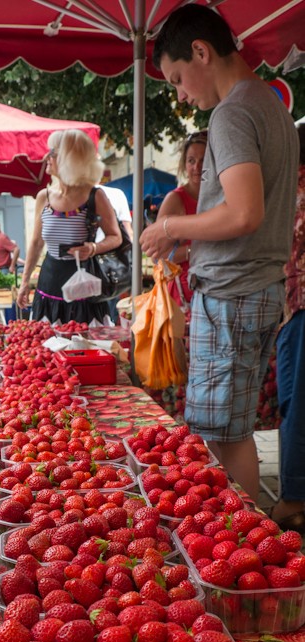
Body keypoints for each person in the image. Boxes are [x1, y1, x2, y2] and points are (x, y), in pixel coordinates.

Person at [139, 5, 299, 503]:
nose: (181, 94)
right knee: (232, 431)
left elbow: (243, 213)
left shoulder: (233, 112)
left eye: (179, 77)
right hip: (254, 288)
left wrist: (169, 226)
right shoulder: (272, 106)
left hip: (232, 294)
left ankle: (242, 546)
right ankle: (244, 541)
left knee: (222, 438)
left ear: (202, 52)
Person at [16, 129, 121, 324]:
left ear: (69, 159)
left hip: (83, 285)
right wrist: (24, 283)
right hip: (49, 282)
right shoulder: (44, 197)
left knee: (84, 346)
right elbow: (36, 243)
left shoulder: (94, 196)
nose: (47, 157)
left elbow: (116, 237)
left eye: (53, 153)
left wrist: (93, 248)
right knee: (47, 347)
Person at [272, 124, 305, 533]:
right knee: (293, 400)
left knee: (295, 403)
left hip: (298, 306)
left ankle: (294, 496)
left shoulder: (292, 191)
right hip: (292, 306)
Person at [156, 130, 208, 307]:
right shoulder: (175, 199)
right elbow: (158, 254)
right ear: (184, 164)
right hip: (183, 297)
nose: (197, 167)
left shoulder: (223, 197)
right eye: (191, 160)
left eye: (203, 160)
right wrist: (194, 252)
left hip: (215, 290)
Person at [99, 184, 133, 323]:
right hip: (111, 268)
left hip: (85, 266)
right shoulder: (117, 193)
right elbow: (128, 233)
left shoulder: (72, 194)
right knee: (109, 318)